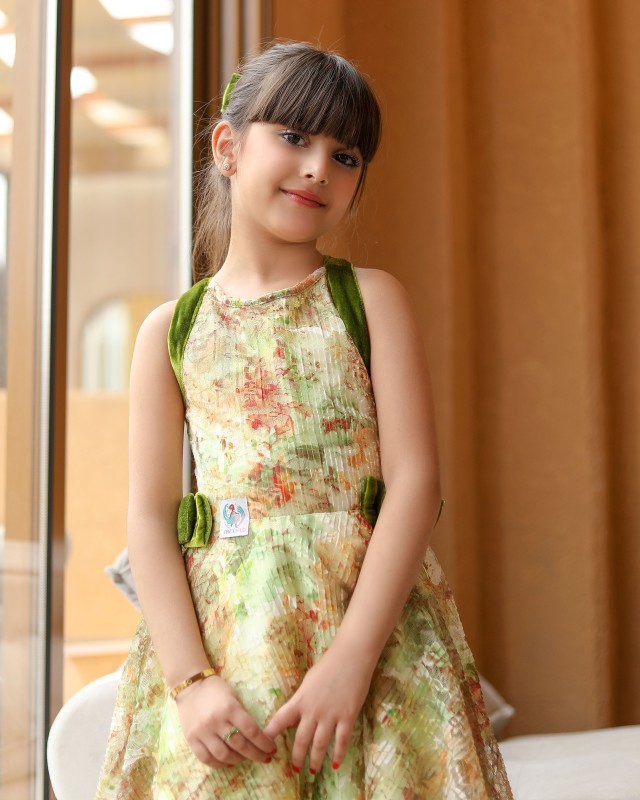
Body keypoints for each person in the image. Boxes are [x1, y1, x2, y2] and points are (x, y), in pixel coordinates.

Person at [96, 40, 513, 799]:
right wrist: (192, 682)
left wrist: (352, 659)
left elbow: (415, 486)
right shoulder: (171, 331)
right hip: (229, 647)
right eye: (294, 137)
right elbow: (150, 519)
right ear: (227, 147)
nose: (320, 167)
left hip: (376, 640)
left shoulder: (372, 300)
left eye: (345, 156)